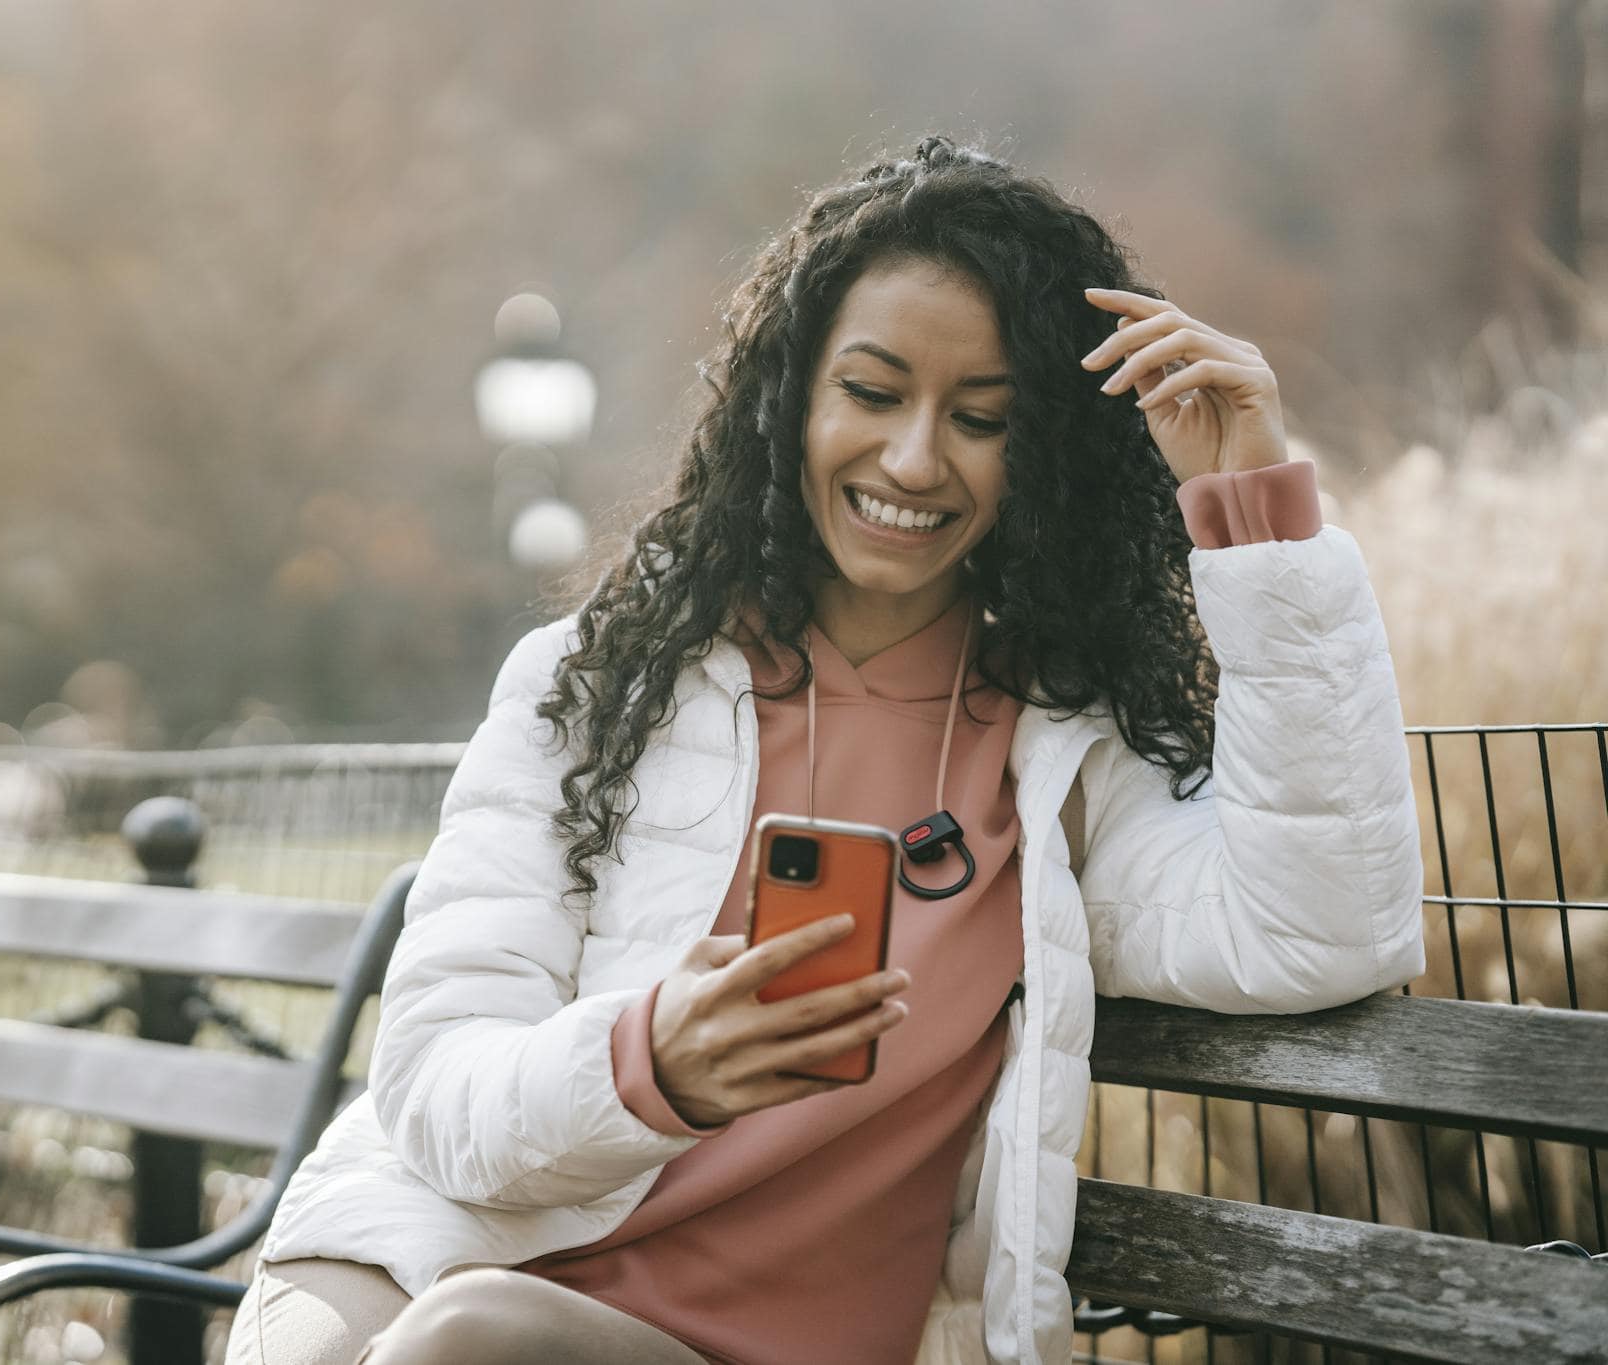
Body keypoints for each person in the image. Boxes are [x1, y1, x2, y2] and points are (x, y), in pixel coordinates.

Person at [226, 136, 1425, 1365]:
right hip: (438, 1240)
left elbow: (1322, 931)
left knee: (467, 1347)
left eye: (979, 419)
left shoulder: (1059, 758)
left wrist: (1254, 515)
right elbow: (435, 1089)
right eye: (869, 392)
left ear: (1043, 454)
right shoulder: (598, 685)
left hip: (696, 1342)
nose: (912, 459)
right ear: (788, 399)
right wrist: (649, 1065)